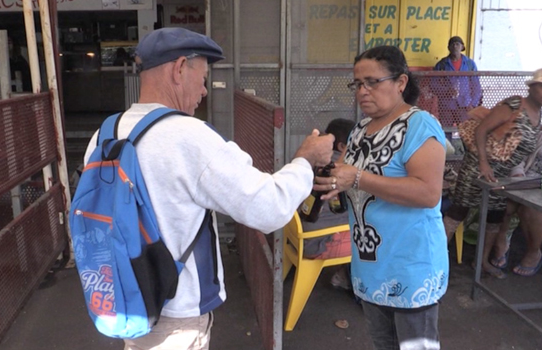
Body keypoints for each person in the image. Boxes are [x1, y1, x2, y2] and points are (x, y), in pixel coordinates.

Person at [82, 27, 335, 350]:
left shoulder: (105, 133)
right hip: (177, 316)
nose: (203, 91)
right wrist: (305, 159)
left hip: (125, 295)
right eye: (202, 78)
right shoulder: (189, 136)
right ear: (179, 69)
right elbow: (268, 207)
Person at [317, 45, 448, 349]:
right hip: (372, 266)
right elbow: (348, 174)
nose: (362, 91)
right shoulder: (361, 128)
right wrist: (336, 182)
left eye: (372, 82)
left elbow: (428, 193)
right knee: (382, 344)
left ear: (401, 82)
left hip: (411, 267)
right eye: (357, 83)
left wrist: (358, 178)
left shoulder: (420, 125)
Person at [442, 69, 542, 279]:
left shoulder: (538, 115)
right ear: (531, 87)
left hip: (502, 175)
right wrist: (483, 163)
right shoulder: (514, 105)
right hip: (478, 168)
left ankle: (482, 261)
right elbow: (482, 130)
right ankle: (437, 261)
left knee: (495, 218)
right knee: (458, 211)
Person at [486, 68, 542, 277]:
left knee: (531, 209)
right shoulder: (520, 109)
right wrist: (518, 175)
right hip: (524, 176)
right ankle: (503, 239)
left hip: (535, 182)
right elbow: (519, 152)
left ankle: (533, 252)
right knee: (507, 203)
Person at [301, 118, 355, 290]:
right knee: (377, 241)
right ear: (341, 147)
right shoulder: (342, 170)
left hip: (297, 236)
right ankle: (346, 278)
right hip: (318, 243)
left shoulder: (310, 160)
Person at [433, 36, 482, 124]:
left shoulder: (469, 64)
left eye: (457, 44)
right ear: (448, 48)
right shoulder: (442, 64)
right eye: (452, 45)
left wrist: (473, 104)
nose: (455, 46)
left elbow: (476, 86)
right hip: (446, 106)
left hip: (465, 105)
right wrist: (447, 91)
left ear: (462, 47)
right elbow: (433, 85)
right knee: (446, 131)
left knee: (464, 131)